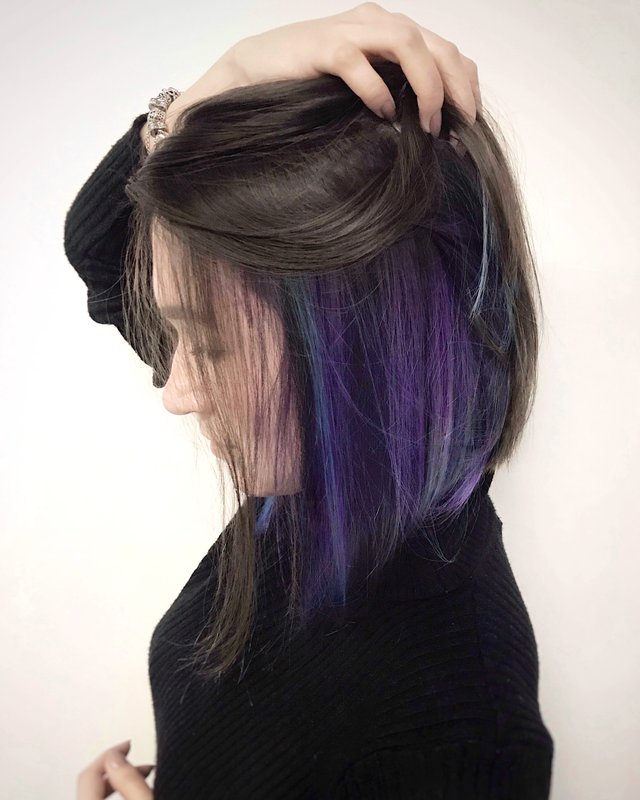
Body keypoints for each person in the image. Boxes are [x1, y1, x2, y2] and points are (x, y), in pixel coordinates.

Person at [68, 7, 554, 799]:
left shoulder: (456, 732)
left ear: (357, 350)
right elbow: (99, 254)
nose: (175, 391)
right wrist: (217, 85)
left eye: (209, 346)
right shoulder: (328, 469)